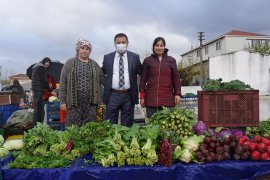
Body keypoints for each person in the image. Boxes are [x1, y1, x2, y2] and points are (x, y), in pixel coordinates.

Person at [59, 39, 104, 127]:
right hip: (74, 104)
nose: (85, 50)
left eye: (87, 49)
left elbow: (103, 79)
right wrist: (62, 102)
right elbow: (63, 83)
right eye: (82, 48)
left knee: (89, 129)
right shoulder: (69, 63)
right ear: (78, 49)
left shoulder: (95, 64)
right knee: (73, 129)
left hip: (91, 104)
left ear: (90, 51)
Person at [102, 33, 141, 127]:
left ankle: (125, 141)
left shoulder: (135, 57)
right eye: (118, 42)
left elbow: (142, 73)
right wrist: (106, 84)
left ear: (127, 43)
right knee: (110, 124)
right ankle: (112, 141)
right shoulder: (107, 57)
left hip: (128, 95)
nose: (121, 44)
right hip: (112, 95)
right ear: (115, 44)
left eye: (123, 42)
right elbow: (102, 72)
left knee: (127, 125)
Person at [140, 37, 181, 118]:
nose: (159, 48)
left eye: (161, 45)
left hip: (167, 99)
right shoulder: (147, 61)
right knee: (152, 125)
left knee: (167, 126)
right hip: (151, 99)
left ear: (164, 47)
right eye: (157, 45)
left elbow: (176, 78)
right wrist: (142, 97)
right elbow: (143, 80)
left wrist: (177, 94)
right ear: (153, 47)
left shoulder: (171, 60)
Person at [31, 57, 52, 125]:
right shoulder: (41, 68)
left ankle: (36, 125)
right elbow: (43, 80)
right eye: (46, 62)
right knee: (39, 109)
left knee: (37, 108)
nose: (48, 64)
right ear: (43, 62)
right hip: (38, 90)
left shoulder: (36, 67)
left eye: (49, 62)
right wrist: (49, 89)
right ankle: (37, 125)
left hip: (35, 89)